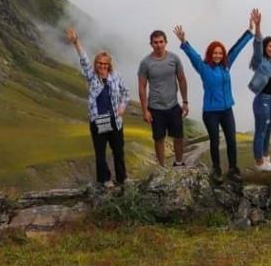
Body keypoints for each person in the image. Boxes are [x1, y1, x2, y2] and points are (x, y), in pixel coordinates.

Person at [174, 20, 253, 182]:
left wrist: (249, 32)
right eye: (214, 53)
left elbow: (237, 48)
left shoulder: (226, 65)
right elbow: (193, 56)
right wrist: (184, 42)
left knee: (231, 140)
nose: (218, 55)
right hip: (211, 112)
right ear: (210, 54)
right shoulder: (203, 67)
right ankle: (216, 169)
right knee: (215, 141)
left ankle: (233, 169)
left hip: (227, 109)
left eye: (220, 53)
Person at [66, 28, 129, 188]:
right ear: (96, 64)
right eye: (99, 64)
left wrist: (122, 106)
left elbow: (125, 92)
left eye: (105, 64)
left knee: (118, 150)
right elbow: (83, 59)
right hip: (99, 119)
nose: (102, 66)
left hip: (115, 118)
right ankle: (105, 180)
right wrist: (76, 42)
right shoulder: (92, 76)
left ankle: (122, 178)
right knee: (100, 152)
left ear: (109, 65)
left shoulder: (116, 76)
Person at [137, 30, 190, 168]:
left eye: (161, 42)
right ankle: (162, 167)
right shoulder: (145, 63)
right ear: (151, 44)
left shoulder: (174, 58)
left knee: (178, 136)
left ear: (166, 42)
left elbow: (182, 79)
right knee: (158, 138)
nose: (159, 45)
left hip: (173, 105)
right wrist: (145, 111)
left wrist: (185, 102)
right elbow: (142, 87)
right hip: (155, 108)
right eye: (156, 42)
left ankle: (178, 163)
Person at [248, 8, 271, 172]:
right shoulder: (261, 59)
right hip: (263, 100)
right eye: (270, 46)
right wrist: (258, 26)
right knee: (261, 131)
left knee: (269, 128)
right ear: (265, 47)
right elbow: (258, 42)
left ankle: (266, 156)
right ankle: (259, 163)